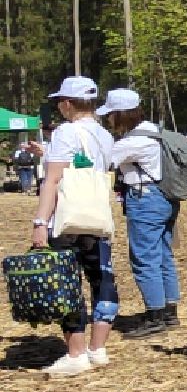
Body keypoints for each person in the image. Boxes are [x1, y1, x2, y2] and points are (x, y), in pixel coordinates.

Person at [29, 76, 119, 376]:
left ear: (68, 104)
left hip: (67, 220)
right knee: (102, 278)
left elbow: (53, 180)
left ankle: (76, 352)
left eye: (60, 102)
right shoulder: (104, 135)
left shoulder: (65, 132)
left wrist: (41, 222)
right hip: (97, 217)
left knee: (66, 283)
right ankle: (98, 347)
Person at [99, 88, 182, 339]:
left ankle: (155, 315)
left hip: (145, 199)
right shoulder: (155, 131)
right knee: (163, 255)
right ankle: (169, 311)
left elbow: (103, 161)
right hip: (166, 197)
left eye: (110, 114)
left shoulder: (132, 142)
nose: (108, 119)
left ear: (120, 114)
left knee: (144, 258)